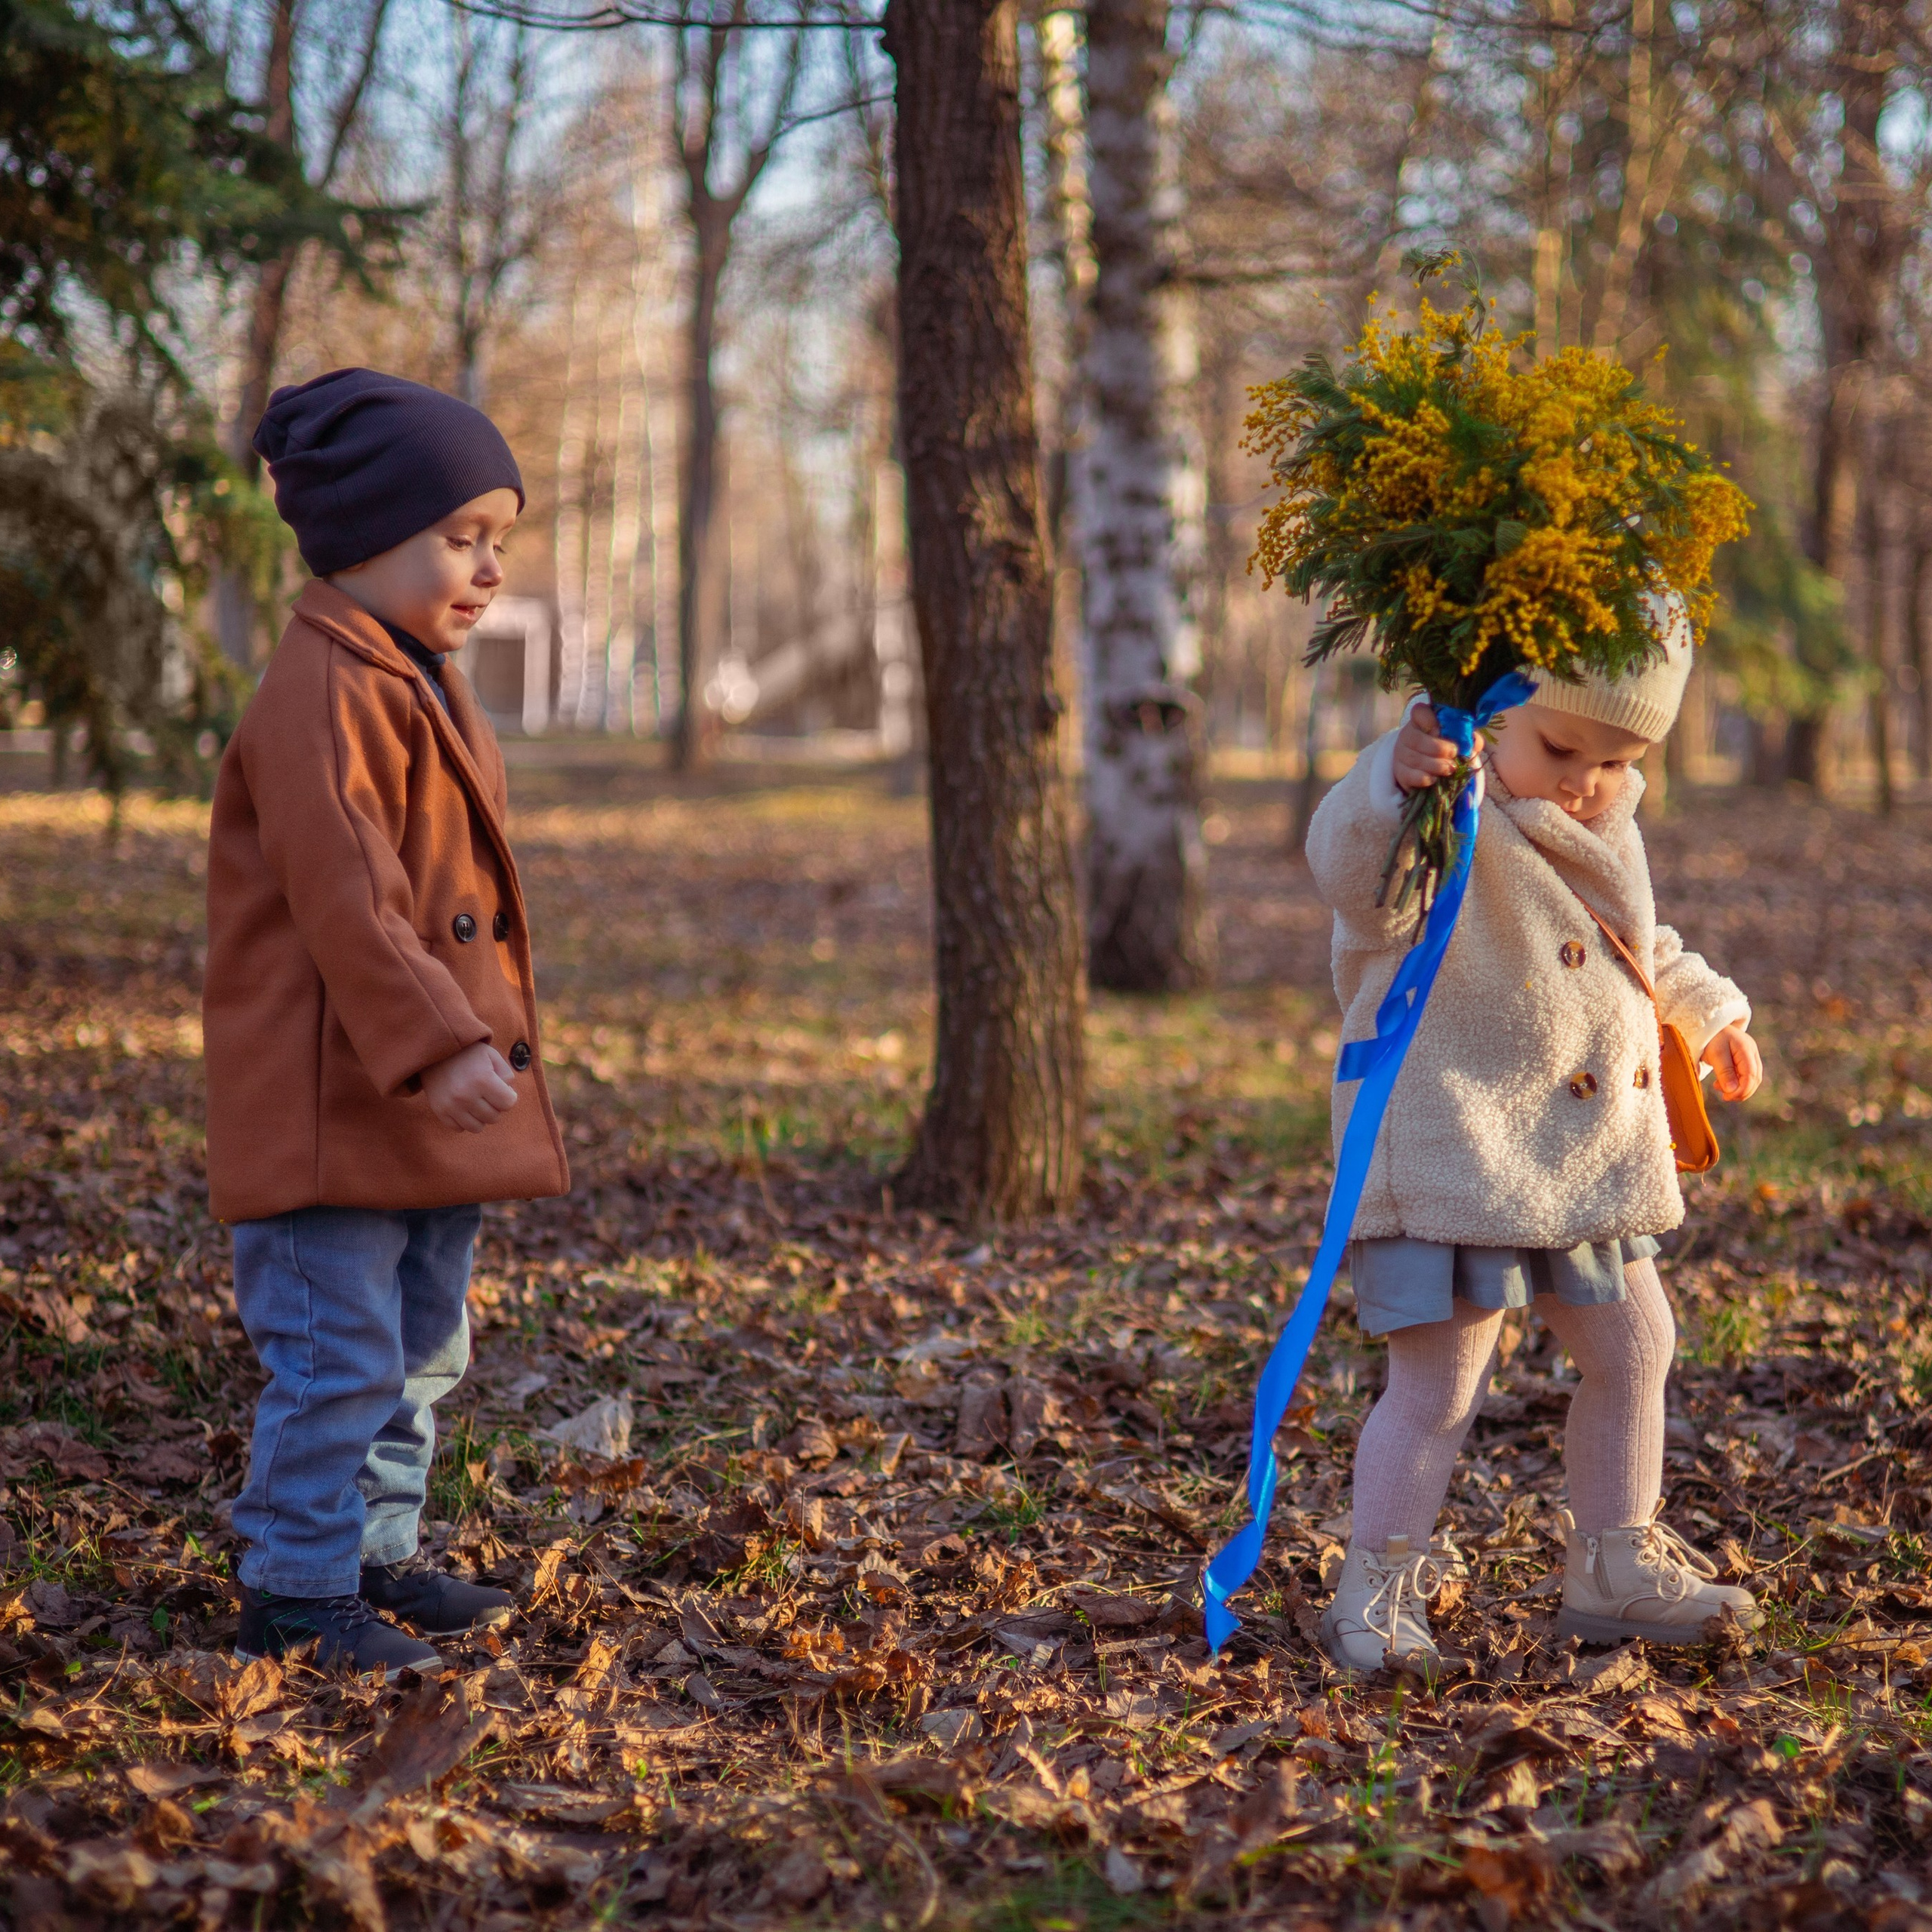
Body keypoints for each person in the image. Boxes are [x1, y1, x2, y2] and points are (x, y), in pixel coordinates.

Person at [1303, 601, 1764, 1670]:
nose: (1583, 781)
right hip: (1460, 1150)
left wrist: (1709, 1014)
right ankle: (1373, 1594)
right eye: (1561, 746)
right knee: (1439, 1388)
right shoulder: (1441, 804)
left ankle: (1612, 1565)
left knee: (1640, 1347)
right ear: (1493, 708)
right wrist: (1397, 773)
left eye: (1617, 760)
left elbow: (1631, 943)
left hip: (1582, 1161)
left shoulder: (1606, 817)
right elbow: (1357, 886)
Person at [204, 368, 571, 1676]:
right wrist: (444, 1042)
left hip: (417, 1097)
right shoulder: (322, 688)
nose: (484, 571)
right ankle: (297, 1589)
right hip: (337, 1097)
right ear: (362, 532)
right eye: (457, 538)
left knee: (423, 1346)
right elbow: (350, 897)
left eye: (497, 545)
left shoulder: (408, 672)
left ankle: (374, 1550)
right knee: (338, 1353)